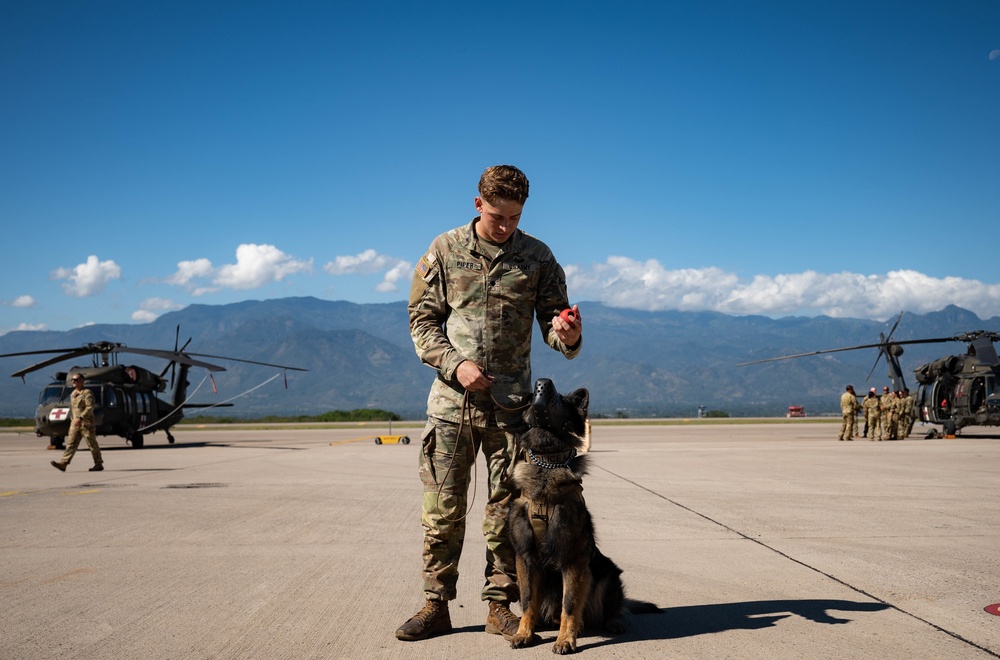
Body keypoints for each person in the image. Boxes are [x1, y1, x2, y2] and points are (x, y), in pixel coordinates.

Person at [397, 165, 583, 643]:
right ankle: (435, 604)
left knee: (507, 513)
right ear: (478, 204)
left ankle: (499, 605)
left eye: (515, 218)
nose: (506, 226)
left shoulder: (537, 257)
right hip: (451, 407)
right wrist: (456, 364)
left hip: (512, 412)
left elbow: (555, 325)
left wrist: (568, 333)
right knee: (442, 507)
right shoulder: (445, 250)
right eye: (498, 216)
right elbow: (421, 323)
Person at [50, 373, 103, 472]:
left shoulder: (87, 393)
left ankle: (98, 463)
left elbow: (90, 407)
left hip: (86, 424)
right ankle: (63, 463)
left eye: (76, 380)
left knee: (92, 444)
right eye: (73, 380)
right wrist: (73, 419)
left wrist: (81, 417)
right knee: (71, 444)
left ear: (82, 381)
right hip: (75, 423)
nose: (73, 381)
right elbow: (74, 409)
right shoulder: (73, 394)